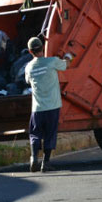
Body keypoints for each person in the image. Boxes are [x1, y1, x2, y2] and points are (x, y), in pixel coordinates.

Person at [25, 37, 72, 173]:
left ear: (30, 51)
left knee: (35, 134)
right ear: (42, 48)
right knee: (50, 134)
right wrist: (69, 56)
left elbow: (28, 81)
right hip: (52, 106)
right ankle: (45, 163)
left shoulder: (28, 67)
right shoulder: (52, 62)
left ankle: (34, 158)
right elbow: (66, 65)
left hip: (37, 108)